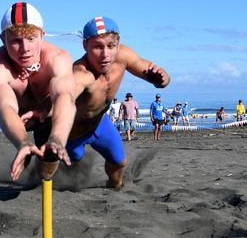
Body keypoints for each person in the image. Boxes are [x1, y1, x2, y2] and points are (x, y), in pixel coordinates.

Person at [33, 16, 170, 188]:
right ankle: (36, 174)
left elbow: (155, 75)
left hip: (100, 125)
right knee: (61, 163)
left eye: (111, 46)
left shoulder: (124, 56)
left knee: (119, 162)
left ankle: (114, 187)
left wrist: (162, 79)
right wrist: (49, 108)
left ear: (118, 43)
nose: (105, 54)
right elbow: (67, 92)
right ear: (85, 46)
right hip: (73, 134)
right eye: (97, 47)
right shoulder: (82, 72)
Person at [0, 2, 76, 181]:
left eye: (31, 38)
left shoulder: (57, 58)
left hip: (49, 118)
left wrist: (57, 138)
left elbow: (65, 97)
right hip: (20, 124)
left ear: (42, 35)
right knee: (32, 152)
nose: (25, 48)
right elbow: (5, 107)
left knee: (48, 164)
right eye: (16, 40)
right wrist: (23, 142)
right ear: (3, 39)